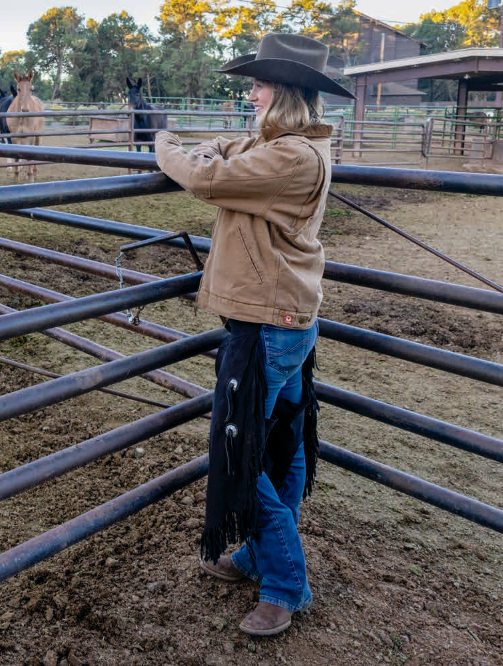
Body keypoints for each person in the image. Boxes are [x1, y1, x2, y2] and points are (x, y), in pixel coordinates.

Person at [154, 33, 355, 637]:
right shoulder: (283, 146)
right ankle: (254, 557)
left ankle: (286, 581)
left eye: (259, 85)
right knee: (280, 445)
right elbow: (223, 148)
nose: (251, 92)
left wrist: (165, 142)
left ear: (284, 94)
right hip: (285, 318)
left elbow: (204, 179)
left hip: (267, 324)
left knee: (241, 452)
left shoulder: (288, 159)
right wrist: (210, 149)